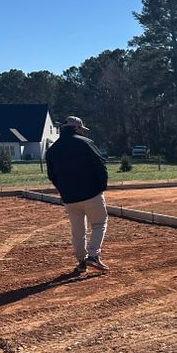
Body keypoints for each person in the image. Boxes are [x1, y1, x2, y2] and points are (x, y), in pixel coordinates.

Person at [45, 116, 109, 273]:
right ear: (78, 128)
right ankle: (93, 255)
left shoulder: (52, 150)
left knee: (78, 232)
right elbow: (100, 166)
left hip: (69, 198)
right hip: (91, 194)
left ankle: (81, 262)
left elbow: (52, 175)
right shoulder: (86, 143)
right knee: (99, 224)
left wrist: (63, 190)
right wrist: (101, 187)